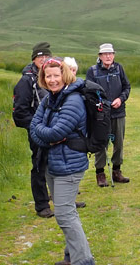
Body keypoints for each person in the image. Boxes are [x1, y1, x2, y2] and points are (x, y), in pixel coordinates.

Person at [30, 57, 96, 265]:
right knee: (68, 213)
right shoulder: (52, 98)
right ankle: (71, 257)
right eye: (47, 76)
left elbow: (56, 131)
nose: (51, 80)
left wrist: (45, 135)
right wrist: (46, 137)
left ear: (64, 75)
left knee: (65, 215)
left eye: (56, 75)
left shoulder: (73, 99)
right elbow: (35, 128)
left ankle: (83, 261)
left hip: (69, 165)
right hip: (53, 162)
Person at [13, 41, 54, 218]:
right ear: (34, 59)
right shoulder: (26, 81)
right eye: (40, 57)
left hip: (55, 129)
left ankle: (62, 199)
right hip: (38, 131)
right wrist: (35, 127)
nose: (43, 59)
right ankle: (42, 205)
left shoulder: (50, 76)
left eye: (46, 56)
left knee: (56, 163)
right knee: (39, 165)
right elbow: (19, 113)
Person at [86, 43, 131, 187]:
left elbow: (127, 87)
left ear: (114, 55)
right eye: (105, 54)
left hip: (118, 112)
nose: (108, 56)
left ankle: (117, 171)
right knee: (101, 143)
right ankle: (100, 174)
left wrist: (121, 99)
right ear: (99, 56)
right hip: (100, 114)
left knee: (119, 143)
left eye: (110, 53)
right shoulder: (92, 71)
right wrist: (100, 104)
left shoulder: (119, 68)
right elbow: (89, 93)